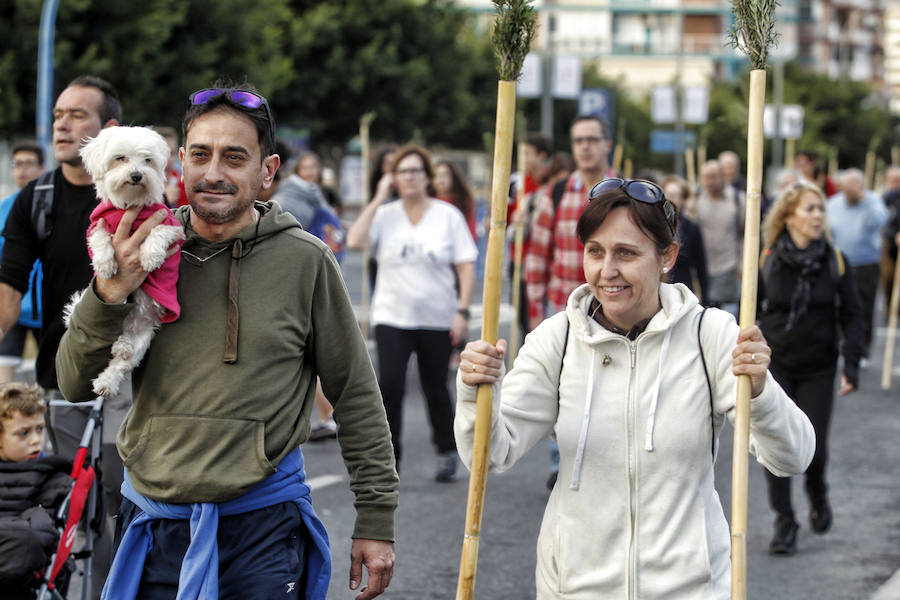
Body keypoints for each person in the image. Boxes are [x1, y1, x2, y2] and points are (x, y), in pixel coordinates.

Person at [55, 82, 397, 599]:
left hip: (263, 527)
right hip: (153, 523)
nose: (213, 172)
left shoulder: (306, 261)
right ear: (181, 166)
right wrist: (110, 292)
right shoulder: (133, 249)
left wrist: (376, 518)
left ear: (267, 172)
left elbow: (354, 392)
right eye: (200, 155)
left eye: (234, 157)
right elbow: (73, 382)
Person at [455, 177, 815, 598]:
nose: (607, 271)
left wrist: (759, 390)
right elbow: (491, 454)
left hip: (690, 589)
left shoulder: (711, 334)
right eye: (595, 251)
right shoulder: (558, 339)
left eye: (626, 253)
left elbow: (793, 456)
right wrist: (475, 391)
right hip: (575, 589)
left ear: (667, 256)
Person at [0, 75, 125, 599]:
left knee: (123, 512)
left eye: (77, 115)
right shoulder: (37, 198)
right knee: (71, 508)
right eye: (57, 114)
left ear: (109, 130)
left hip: (132, 379)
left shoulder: (134, 192)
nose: (62, 124)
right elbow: (6, 289)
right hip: (61, 380)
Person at [347, 144, 477, 482]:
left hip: (437, 316)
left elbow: (465, 266)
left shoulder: (447, 216)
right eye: (401, 172)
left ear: (427, 176)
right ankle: (391, 458)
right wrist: (377, 198)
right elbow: (355, 240)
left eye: (415, 171)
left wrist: (462, 311)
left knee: (436, 387)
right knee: (390, 386)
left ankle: (447, 450)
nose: (408, 178)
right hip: (392, 316)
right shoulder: (385, 215)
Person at [757, 181, 864, 555]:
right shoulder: (767, 258)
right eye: (810, 209)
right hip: (775, 365)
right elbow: (750, 313)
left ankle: (817, 491)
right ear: (788, 217)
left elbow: (852, 315)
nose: (818, 216)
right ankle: (784, 522)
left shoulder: (835, 260)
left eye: (821, 209)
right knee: (777, 445)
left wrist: (851, 363)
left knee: (813, 448)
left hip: (819, 365)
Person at [525, 115, 617, 489]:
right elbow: (537, 254)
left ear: (606, 144)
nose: (584, 146)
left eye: (592, 139)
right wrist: (536, 312)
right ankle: (559, 461)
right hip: (563, 306)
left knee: (609, 387)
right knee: (565, 386)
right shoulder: (558, 192)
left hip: (612, 306)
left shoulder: (625, 192)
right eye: (578, 139)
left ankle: (608, 458)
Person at [0, 382, 72, 599]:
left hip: (19, 574)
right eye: (24, 433)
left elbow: (42, 534)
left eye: (39, 429)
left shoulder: (54, 476)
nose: (35, 440)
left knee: (25, 539)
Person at [827, 168, 889, 364]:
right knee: (836, 307)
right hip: (839, 263)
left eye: (855, 186)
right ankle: (838, 347)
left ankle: (862, 350)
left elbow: (881, 220)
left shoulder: (872, 200)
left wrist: (862, 199)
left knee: (863, 308)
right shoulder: (833, 203)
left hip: (866, 264)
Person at [0, 141, 45, 384]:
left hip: (50, 306)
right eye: (17, 164)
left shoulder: (51, 202)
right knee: (3, 372)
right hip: (14, 305)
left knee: (55, 377)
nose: (22, 170)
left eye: (28, 164)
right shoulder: (4, 208)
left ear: (42, 168)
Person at [694, 159, 745, 316]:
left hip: (729, 267)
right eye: (707, 177)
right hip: (703, 268)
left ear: (723, 177)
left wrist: (742, 263)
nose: (711, 181)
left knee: (729, 314)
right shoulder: (697, 200)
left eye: (714, 176)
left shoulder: (738, 199)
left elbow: (745, 234)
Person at [661, 174, 709, 305]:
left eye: (676, 195)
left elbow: (701, 265)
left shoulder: (691, 228)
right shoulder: (654, 224)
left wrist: (704, 299)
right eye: (668, 194)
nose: (671, 199)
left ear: (683, 200)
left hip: (683, 290)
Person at [433, 159, 476, 241]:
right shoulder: (427, 202)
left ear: (453, 177)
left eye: (445, 175)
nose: (441, 180)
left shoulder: (463, 201)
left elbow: (471, 232)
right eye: (437, 176)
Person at [297, 151, 343, 216]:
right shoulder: (294, 193)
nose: (309, 172)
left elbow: (338, 209)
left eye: (312, 167)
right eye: (305, 168)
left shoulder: (327, 191)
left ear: (319, 169)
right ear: (298, 171)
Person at [153, 126, 188, 208]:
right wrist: (164, 199)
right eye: (162, 153)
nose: (167, 159)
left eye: (171, 153)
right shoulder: (140, 184)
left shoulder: (185, 184)